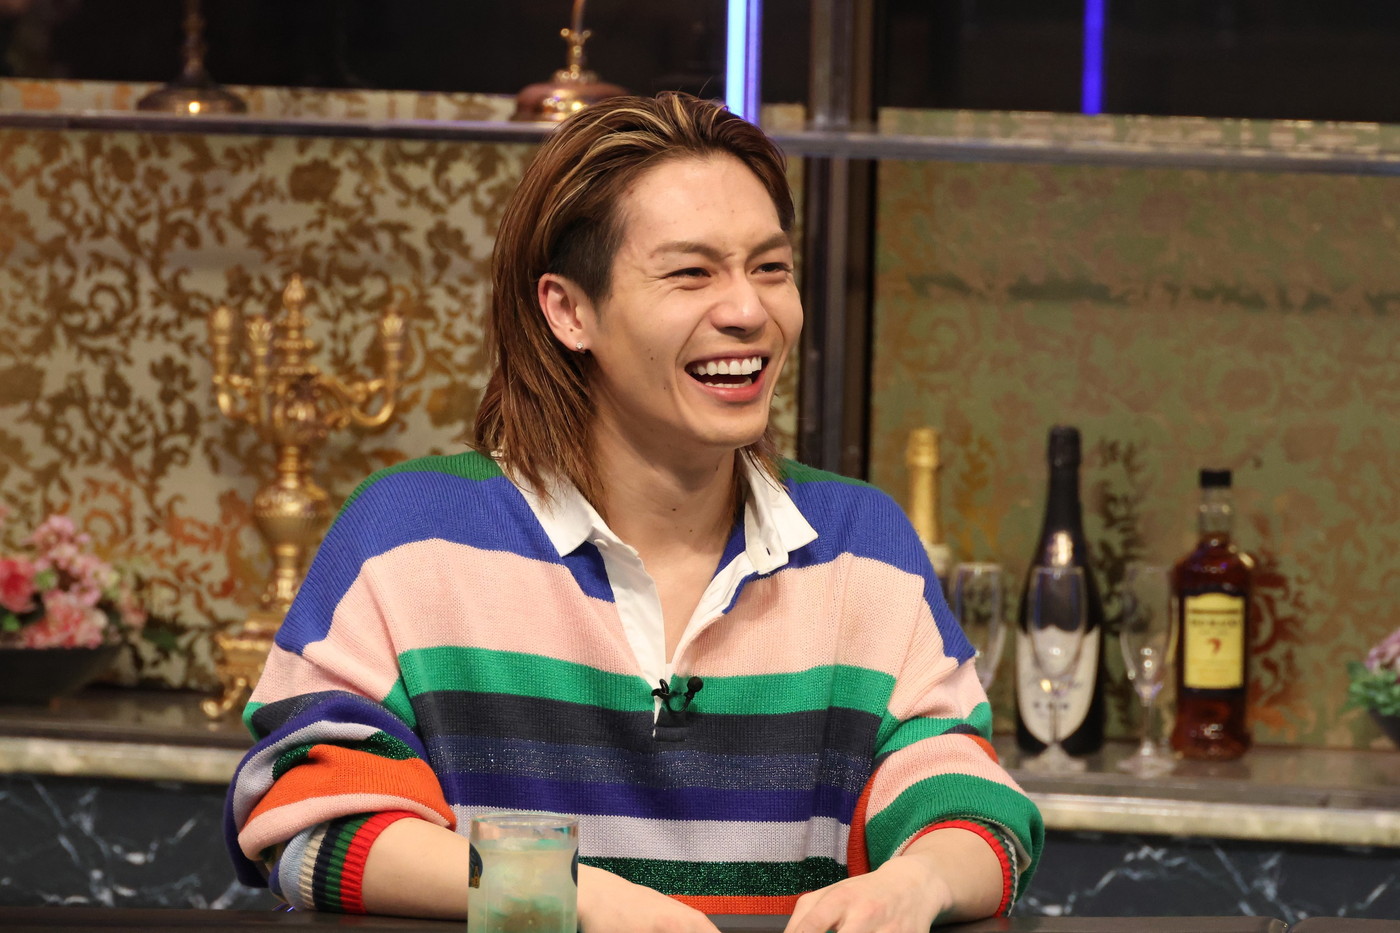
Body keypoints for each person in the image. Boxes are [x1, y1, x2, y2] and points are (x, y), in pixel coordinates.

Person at [223, 91, 1043, 932]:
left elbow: (973, 809)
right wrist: (573, 897)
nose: (749, 311)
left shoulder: (863, 545)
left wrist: (919, 882)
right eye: (692, 273)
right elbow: (309, 817)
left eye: (770, 267)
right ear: (569, 310)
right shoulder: (409, 536)